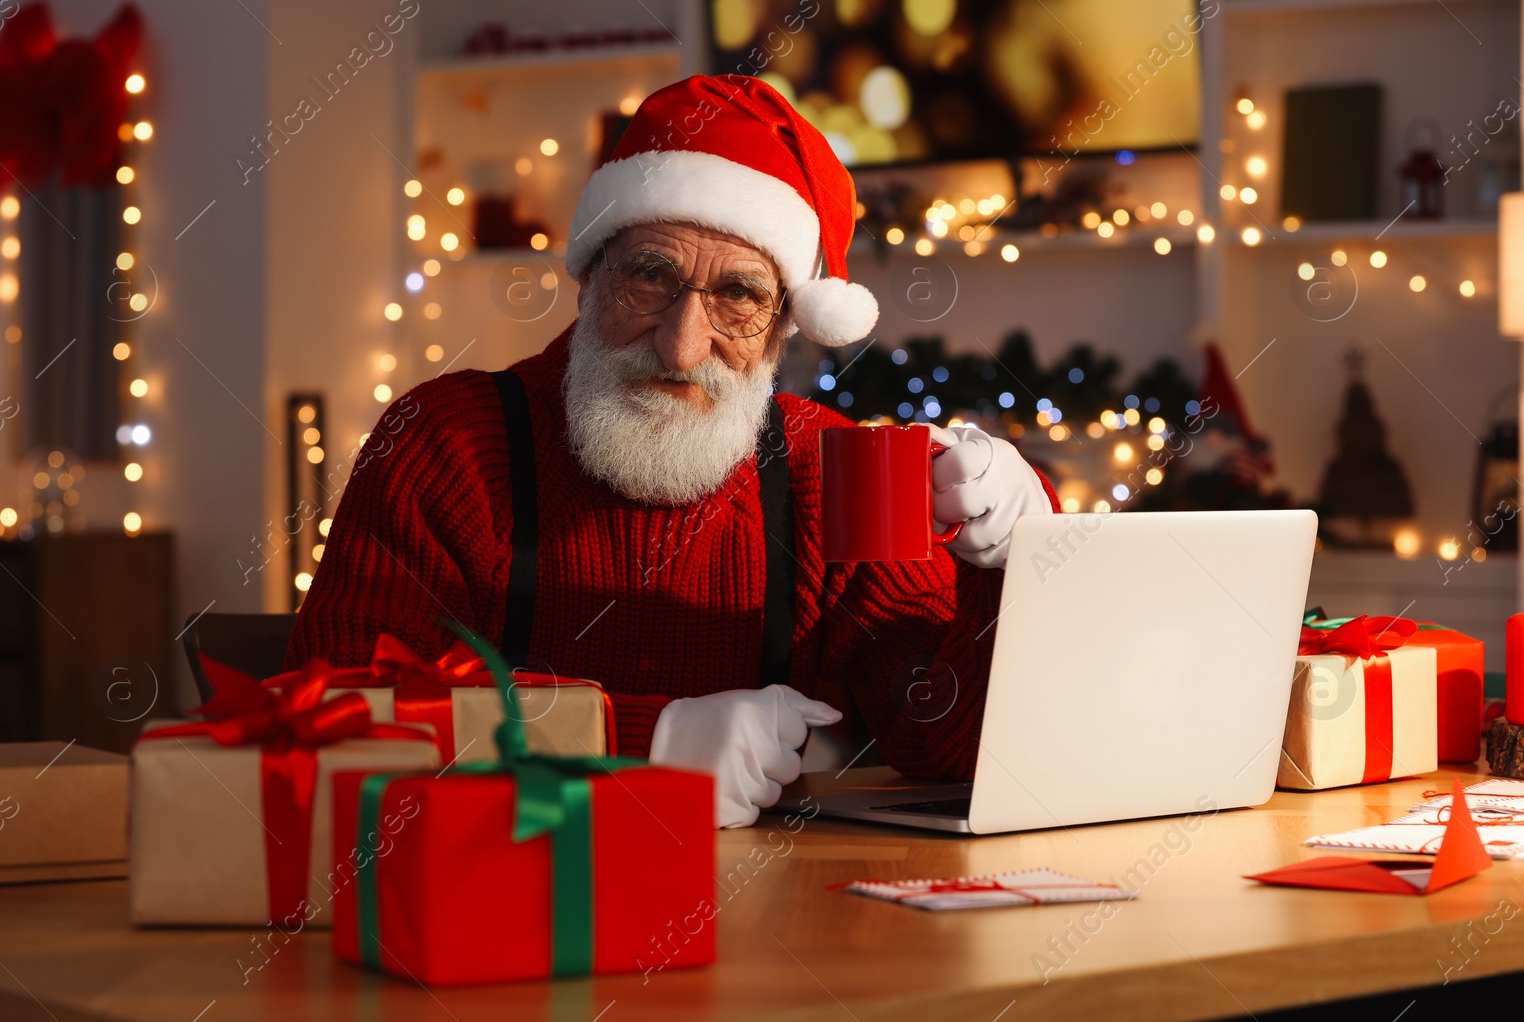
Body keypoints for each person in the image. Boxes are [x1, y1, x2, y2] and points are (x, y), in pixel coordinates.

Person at [287, 75, 1057, 827]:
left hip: (784, 936)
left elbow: (942, 746)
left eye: (740, 296)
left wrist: (1009, 569)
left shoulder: (832, 467)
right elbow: (336, 723)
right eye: (650, 277)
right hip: (508, 927)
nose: (682, 346)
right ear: (590, 279)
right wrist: (636, 743)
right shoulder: (442, 443)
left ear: (784, 326)